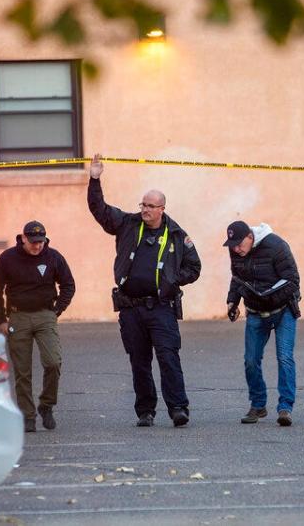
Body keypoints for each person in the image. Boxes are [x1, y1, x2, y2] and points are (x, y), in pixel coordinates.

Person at [87, 153, 201, 428]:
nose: (145, 209)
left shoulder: (176, 234)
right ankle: (145, 411)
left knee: (168, 357)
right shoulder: (128, 224)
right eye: (143, 204)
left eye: (150, 206)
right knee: (139, 361)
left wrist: (172, 281)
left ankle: (178, 408)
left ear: (162, 208)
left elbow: (194, 267)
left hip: (161, 308)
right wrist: (94, 179)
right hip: (131, 308)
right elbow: (99, 209)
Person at [0, 221, 75, 433]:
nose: (38, 246)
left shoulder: (53, 257)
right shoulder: (8, 259)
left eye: (41, 242)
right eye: (34, 242)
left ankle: (46, 405)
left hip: (46, 315)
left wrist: (57, 310)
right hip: (18, 317)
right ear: (23, 238)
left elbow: (68, 285)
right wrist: (1, 319)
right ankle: (27, 415)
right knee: (22, 371)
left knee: (53, 362)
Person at [224, 220, 301, 427]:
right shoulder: (236, 251)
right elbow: (237, 278)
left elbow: (292, 280)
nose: (237, 249)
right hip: (255, 312)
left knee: (284, 358)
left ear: (250, 237)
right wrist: (233, 301)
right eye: (233, 246)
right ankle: (258, 405)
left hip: (283, 310)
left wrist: (268, 296)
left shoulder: (277, 246)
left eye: (240, 244)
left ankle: (285, 407)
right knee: (251, 360)